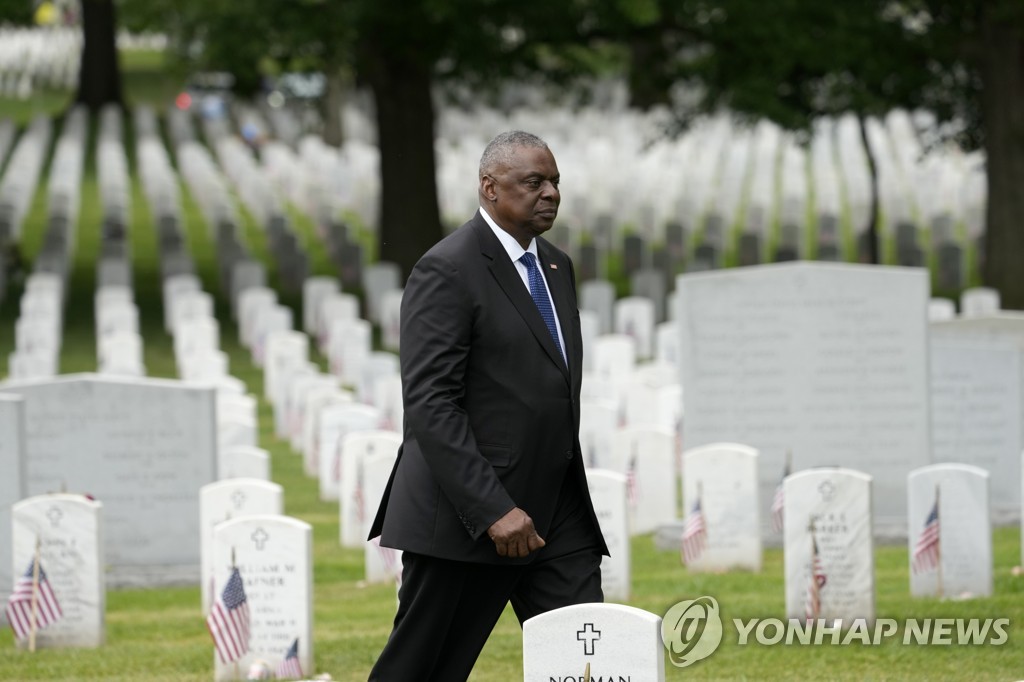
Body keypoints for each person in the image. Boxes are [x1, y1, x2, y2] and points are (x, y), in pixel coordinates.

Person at [367, 130, 608, 680]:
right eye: (533, 182)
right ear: (490, 188)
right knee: (424, 668)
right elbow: (431, 401)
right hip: (467, 516)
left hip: (556, 509)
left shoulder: (554, 266)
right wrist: (492, 509)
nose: (549, 193)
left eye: (554, 183)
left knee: (589, 654)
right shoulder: (447, 269)